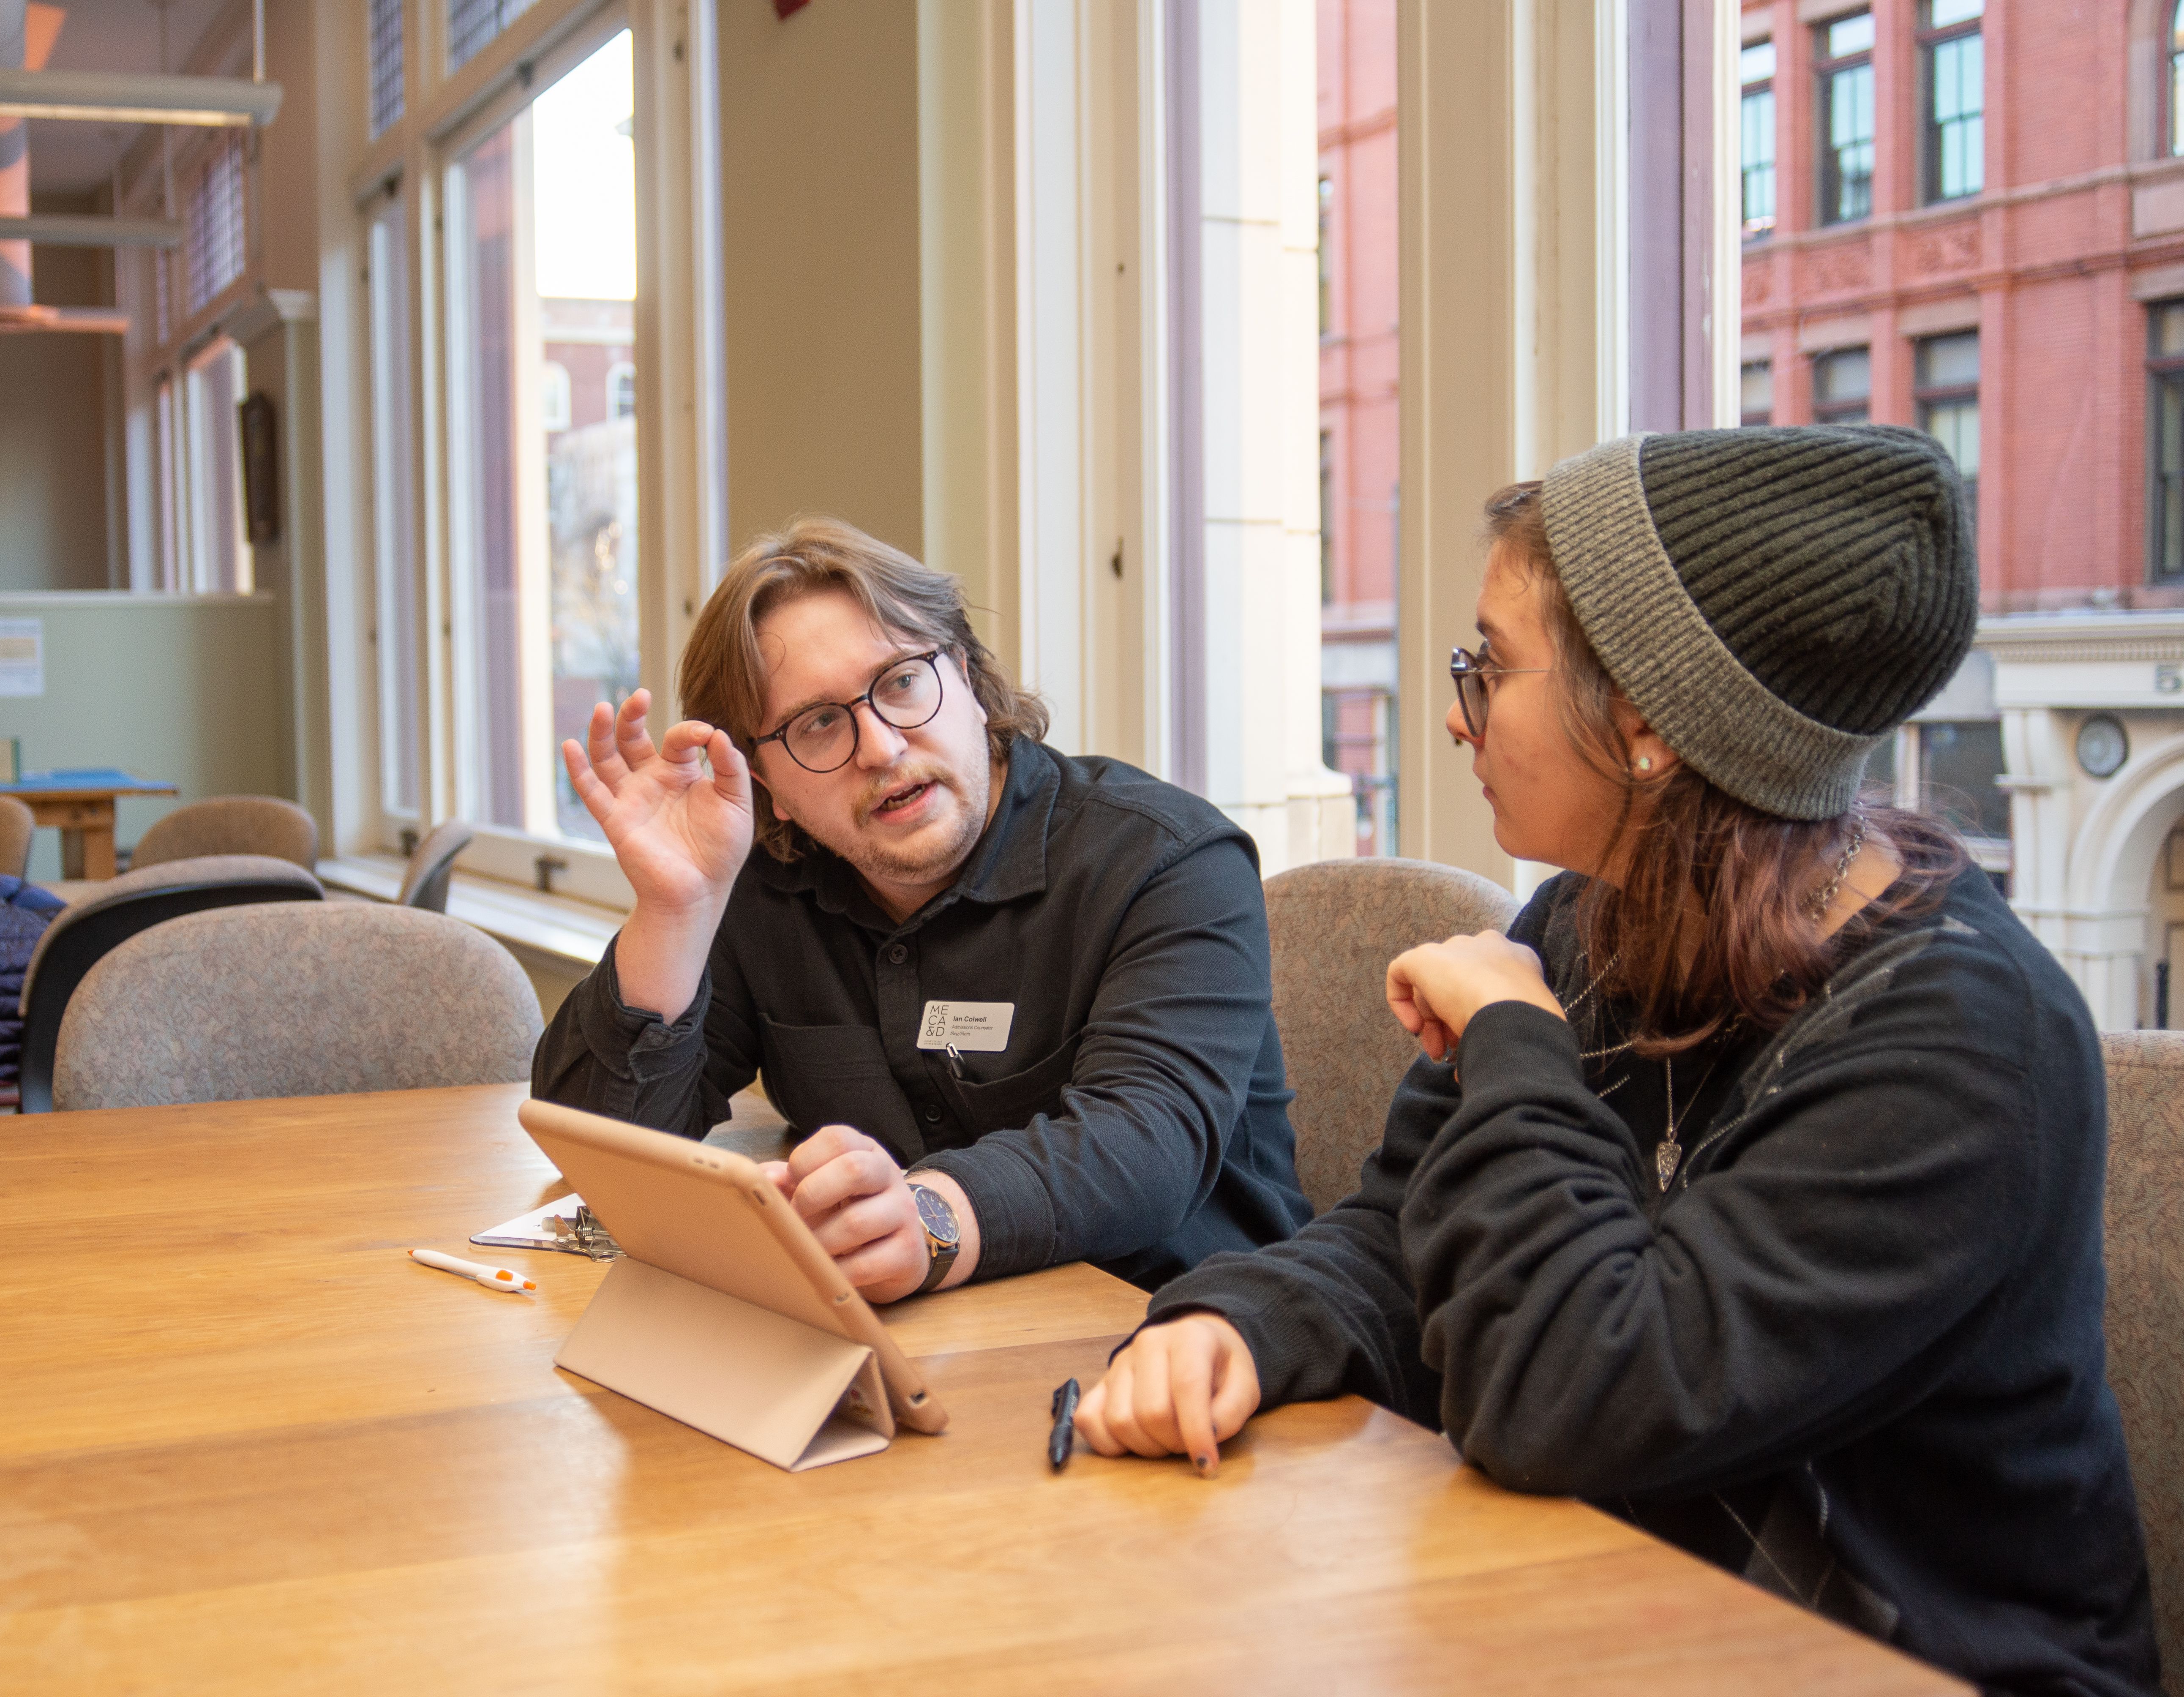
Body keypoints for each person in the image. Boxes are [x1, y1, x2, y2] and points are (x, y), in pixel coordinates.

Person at [1077, 426, 2161, 1697]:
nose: (1453, 709)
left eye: (1492, 666)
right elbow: (1400, 1234)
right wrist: (1246, 1322)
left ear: (1647, 723)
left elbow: (1573, 1398)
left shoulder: (1965, 1044)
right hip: (1610, 1608)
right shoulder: (1598, 913)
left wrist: (1512, 1038)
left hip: (1893, 1657)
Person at [531, 517, 1313, 1301]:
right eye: (819, 724)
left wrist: (926, 1219)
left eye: (904, 682)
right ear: (766, 782)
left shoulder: (1168, 862)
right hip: (922, 1334)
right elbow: (600, 1153)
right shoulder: (764, 883)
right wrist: (675, 913)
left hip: (1181, 1336)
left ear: (968, 679)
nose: (881, 748)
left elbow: (1148, 1145)